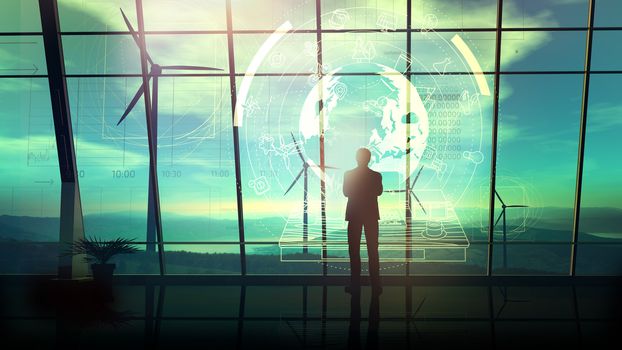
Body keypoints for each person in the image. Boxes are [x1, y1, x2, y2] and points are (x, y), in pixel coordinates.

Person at [343, 148, 383, 295]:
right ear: (369, 158)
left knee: (354, 251)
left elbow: (346, 192)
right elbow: (378, 192)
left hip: (354, 215)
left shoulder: (349, 175)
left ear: (356, 158)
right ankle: (376, 285)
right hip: (371, 216)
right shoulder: (376, 176)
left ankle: (355, 285)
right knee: (373, 251)